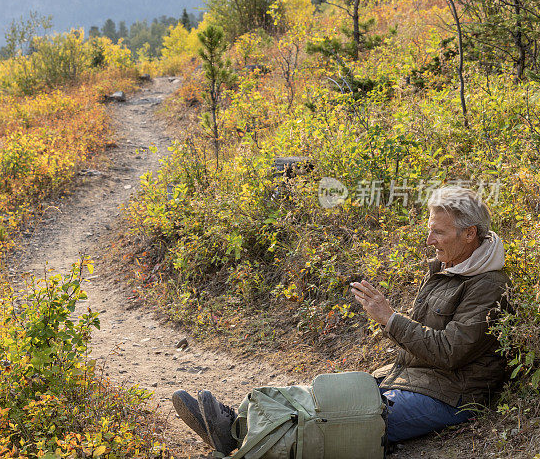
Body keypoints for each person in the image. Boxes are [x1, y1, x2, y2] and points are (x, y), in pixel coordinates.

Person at [172, 186, 509, 455]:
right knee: (318, 395)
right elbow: (424, 339)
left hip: (450, 397)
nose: (429, 240)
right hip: (410, 378)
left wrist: (390, 318)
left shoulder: (487, 285)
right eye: (429, 230)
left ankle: (236, 439)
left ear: (469, 234)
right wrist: (390, 321)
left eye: (438, 232)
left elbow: (450, 351)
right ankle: (233, 422)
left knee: (338, 421)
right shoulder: (451, 267)